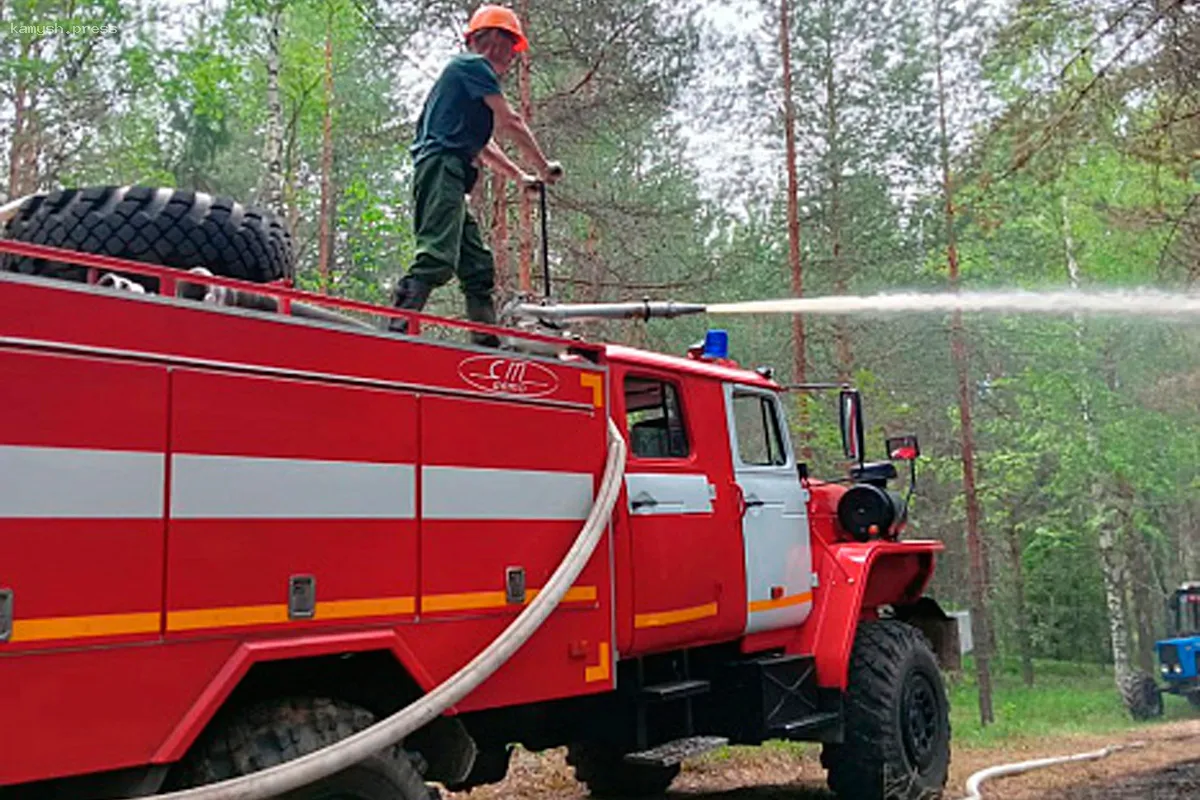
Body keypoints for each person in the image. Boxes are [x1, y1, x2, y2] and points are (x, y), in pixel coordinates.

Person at [390, 4, 562, 345]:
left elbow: (485, 146)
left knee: (478, 266)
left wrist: (521, 176)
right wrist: (543, 167)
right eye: (513, 46)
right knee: (437, 257)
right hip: (441, 169)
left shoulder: (466, 79)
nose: (513, 57)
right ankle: (396, 332)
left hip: (450, 172)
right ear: (495, 40)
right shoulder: (472, 65)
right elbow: (509, 121)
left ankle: (485, 346)